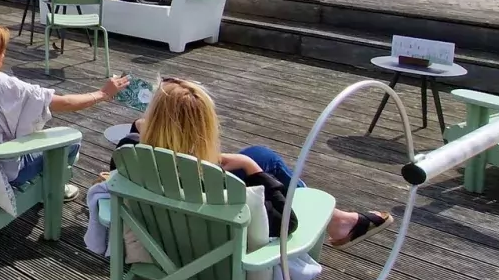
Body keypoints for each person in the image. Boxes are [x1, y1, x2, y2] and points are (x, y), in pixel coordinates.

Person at [111, 78, 391, 246]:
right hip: (210, 235)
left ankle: (338, 219)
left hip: (163, 226)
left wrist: (142, 130)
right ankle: (337, 220)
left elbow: (136, 142)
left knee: (262, 153)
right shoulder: (215, 183)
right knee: (259, 159)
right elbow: (285, 224)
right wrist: (250, 169)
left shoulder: (129, 154)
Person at [0, 21, 127, 191]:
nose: (4, 54)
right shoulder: (3, 85)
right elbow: (65, 103)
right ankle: (53, 187)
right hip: (0, 171)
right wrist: (103, 94)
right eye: (2, 49)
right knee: (71, 140)